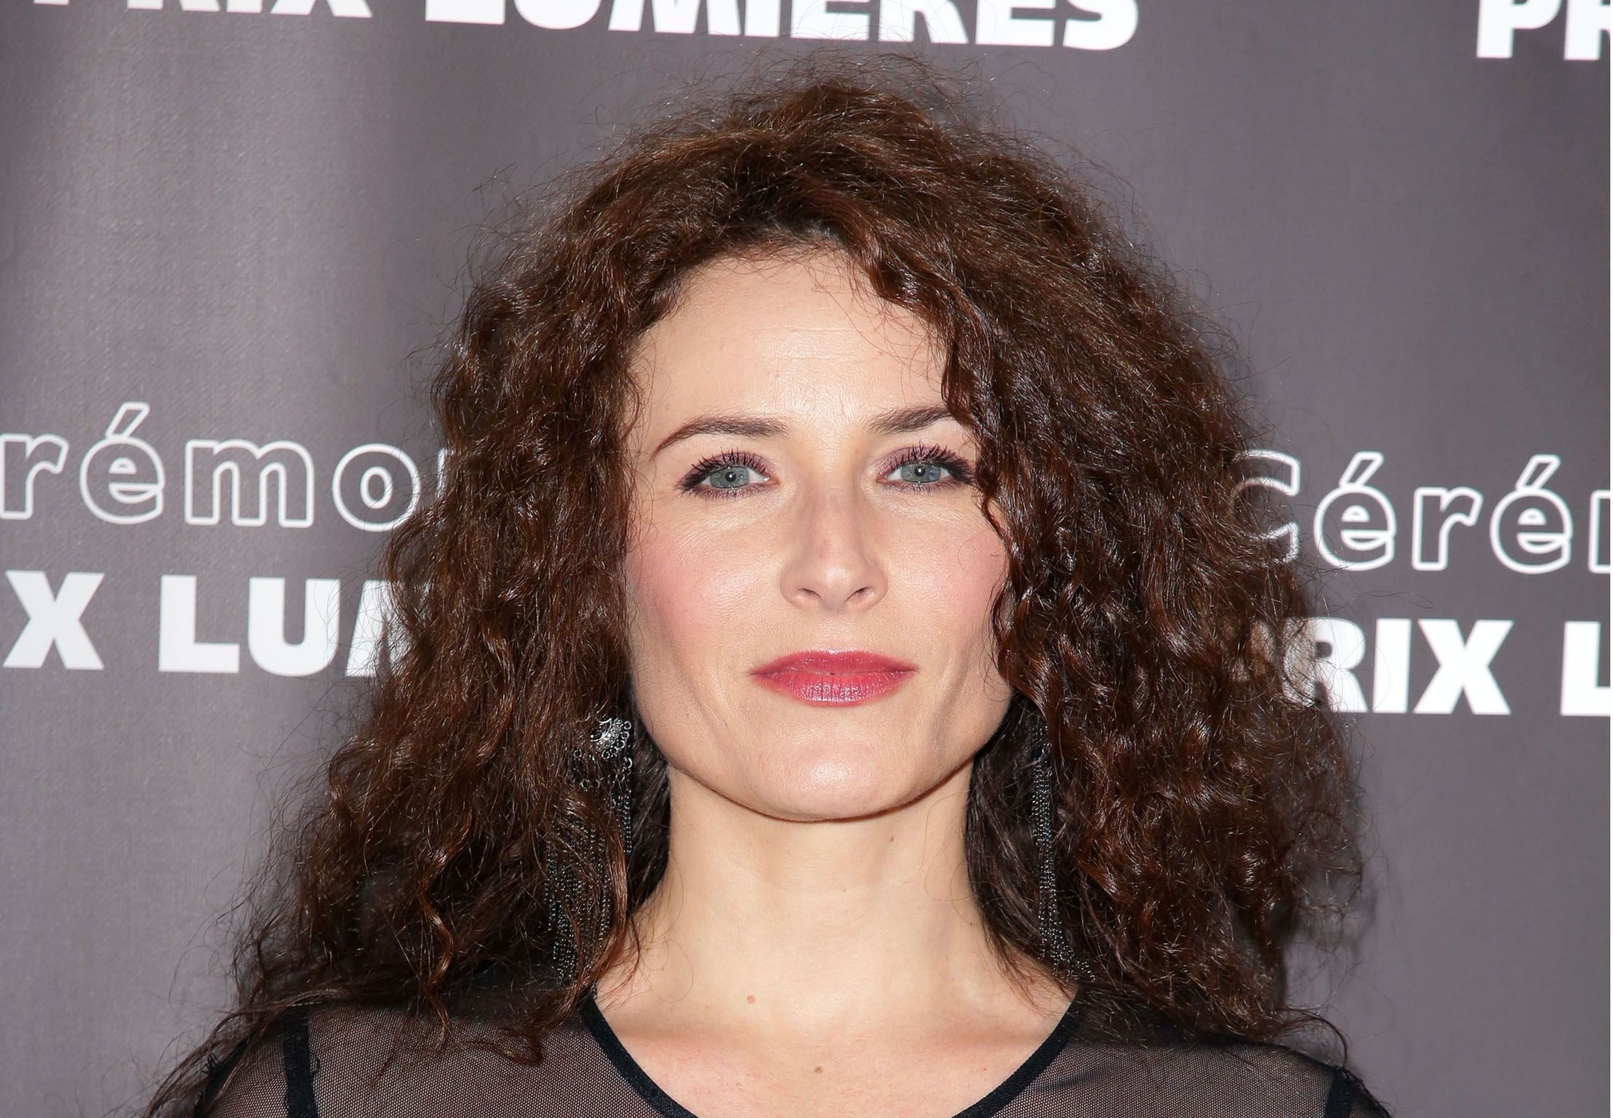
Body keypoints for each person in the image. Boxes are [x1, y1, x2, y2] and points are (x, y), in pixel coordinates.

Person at [148, 60, 1387, 1118]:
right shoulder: (338, 1097)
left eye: (924, 465)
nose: (832, 561)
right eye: (728, 472)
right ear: (584, 563)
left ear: (1053, 552)